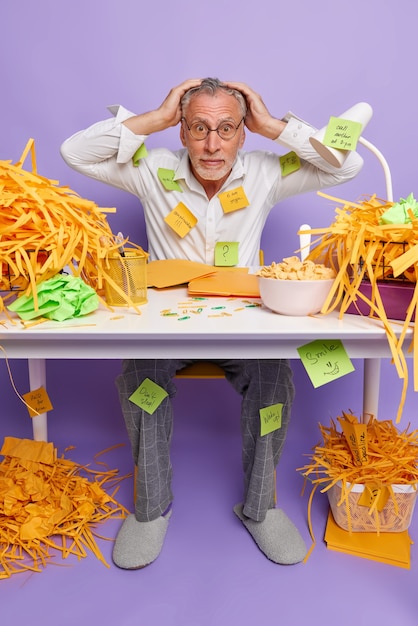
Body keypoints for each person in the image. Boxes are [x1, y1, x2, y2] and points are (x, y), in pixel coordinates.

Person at [61, 78, 363, 569]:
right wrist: (157, 116)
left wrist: (273, 126)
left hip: (243, 326)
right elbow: (75, 153)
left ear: (243, 134)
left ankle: (261, 507)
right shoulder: (151, 168)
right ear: (182, 132)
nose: (212, 143)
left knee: (275, 382)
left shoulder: (267, 172)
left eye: (227, 128)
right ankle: (151, 507)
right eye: (198, 127)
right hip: (164, 327)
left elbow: (347, 164)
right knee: (141, 380)